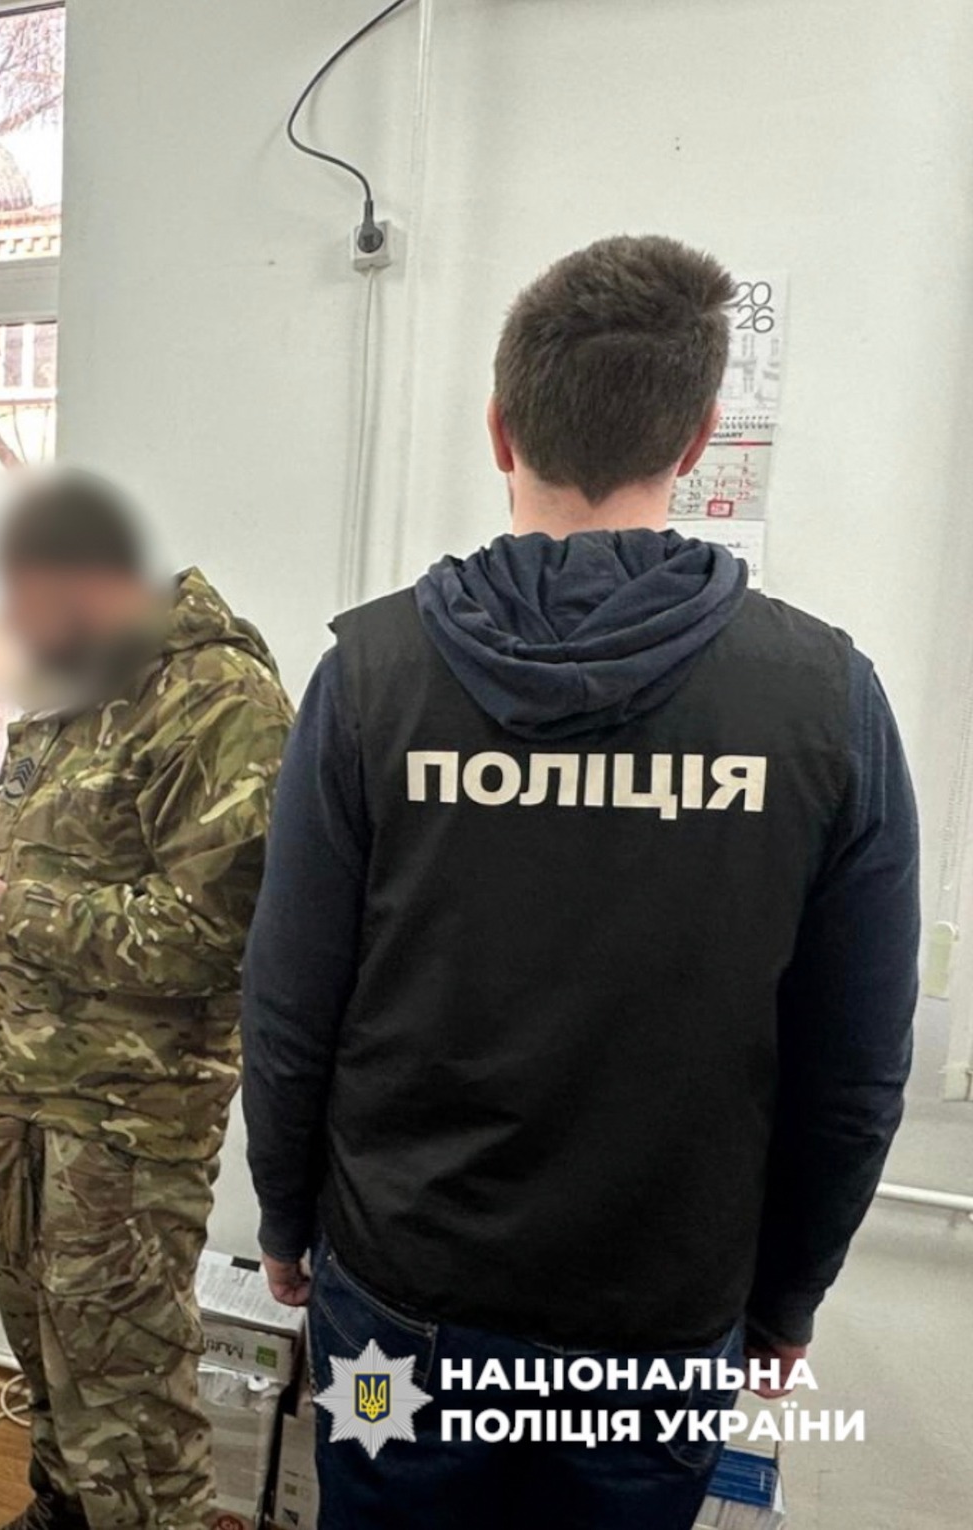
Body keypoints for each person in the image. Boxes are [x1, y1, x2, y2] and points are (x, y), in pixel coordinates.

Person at [242, 235, 919, 1528]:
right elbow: (854, 1065)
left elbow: (287, 1006)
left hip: (400, 1305)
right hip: (658, 1322)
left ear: (499, 428)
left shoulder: (369, 681)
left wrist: (284, 1219)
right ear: (698, 438)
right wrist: (789, 1293)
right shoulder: (823, 700)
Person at [0, 468, 294, 1530]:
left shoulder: (218, 698)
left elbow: (220, 935)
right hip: (32, 1106)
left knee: (130, 1419)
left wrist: (9, 917)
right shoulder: (70, 694)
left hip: (125, 1131)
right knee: (54, 1382)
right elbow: (61, 868)